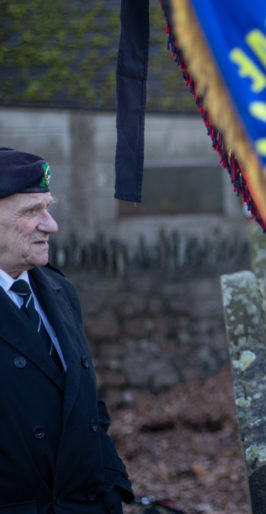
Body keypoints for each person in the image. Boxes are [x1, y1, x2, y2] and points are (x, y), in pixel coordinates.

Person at [0, 148, 133, 512]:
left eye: (48, 207)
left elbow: (86, 407)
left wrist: (113, 485)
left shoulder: (59, 290)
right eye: (31, 212)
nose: (51, 225)